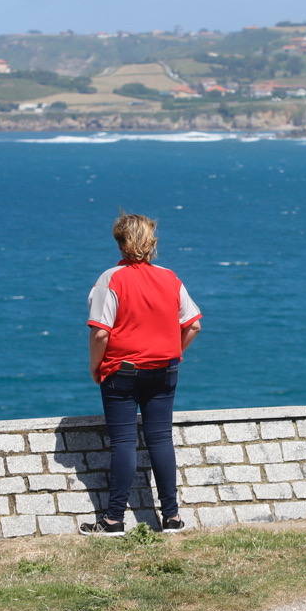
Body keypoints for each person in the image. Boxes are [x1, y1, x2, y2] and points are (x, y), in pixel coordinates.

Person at [81, 213, 202, 536]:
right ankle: (172, 517)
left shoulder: (111, 279)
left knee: (123, 442)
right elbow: (193, 325)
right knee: (161, 438)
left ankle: (113, 519)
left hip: (122, 372)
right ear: (152, 244)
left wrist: (96, 367)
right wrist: (175, 352)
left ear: (120, 242)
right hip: (164, 370)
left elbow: (100, 334)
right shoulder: (170, 278)